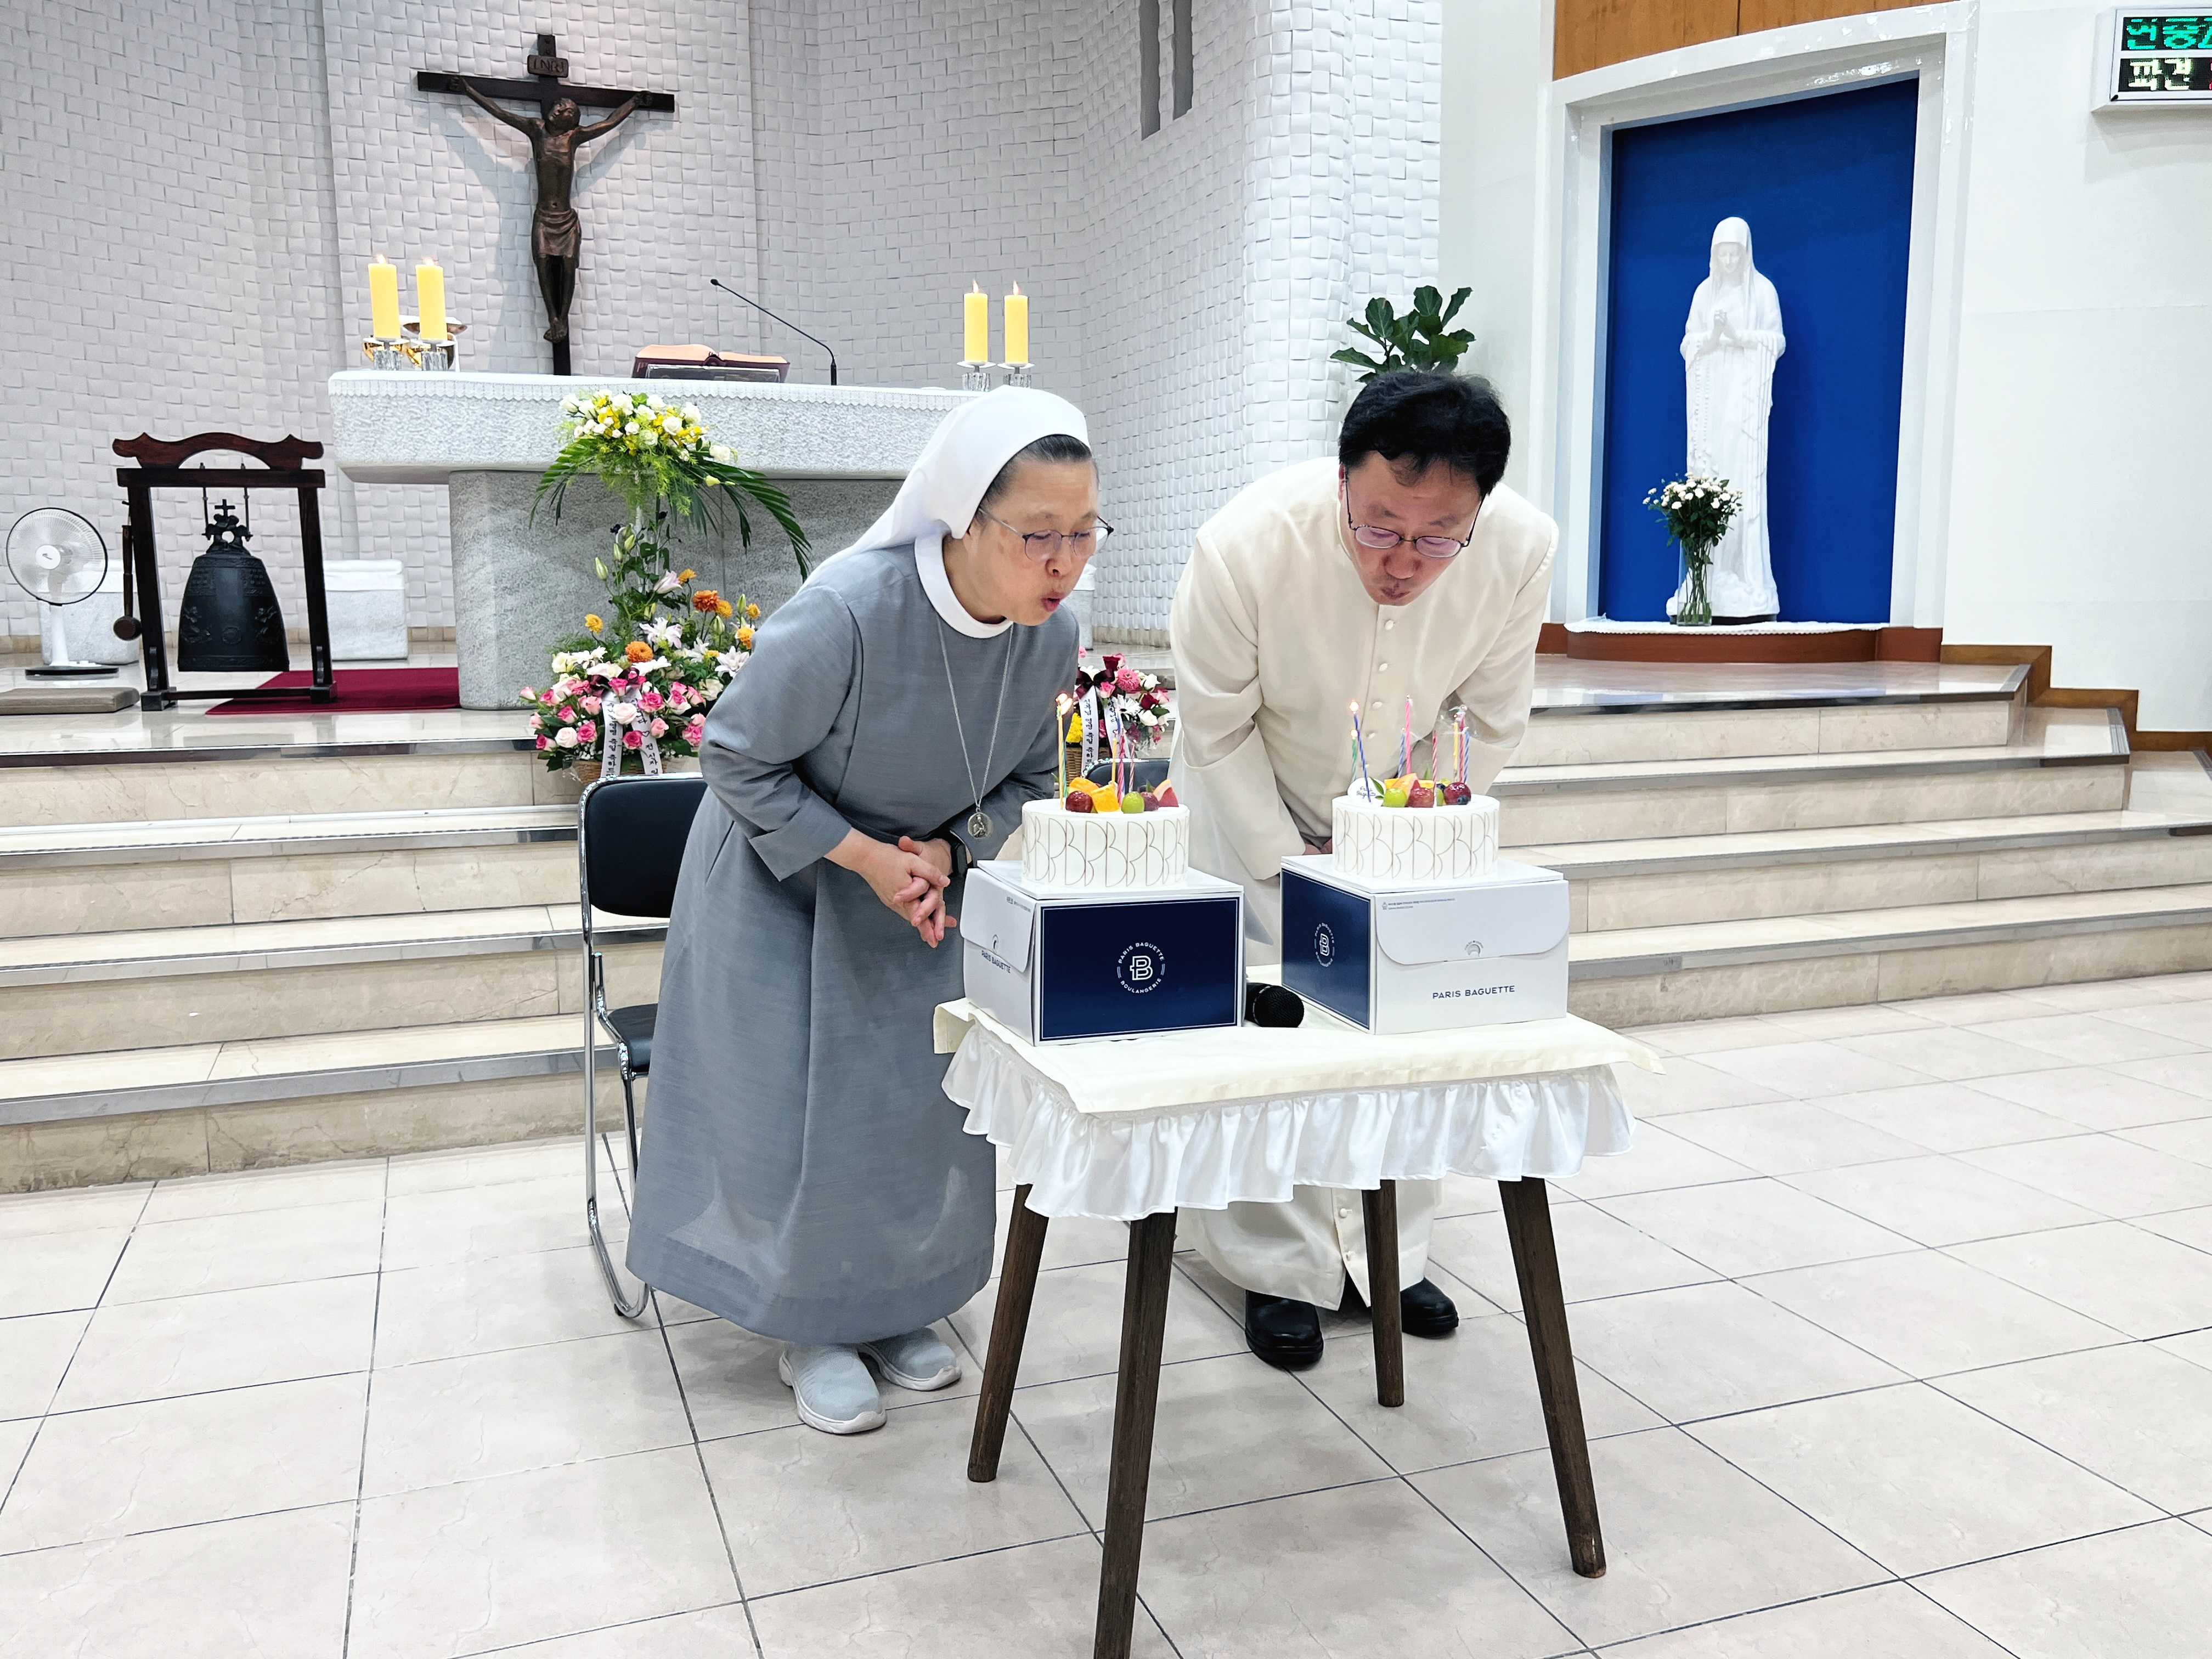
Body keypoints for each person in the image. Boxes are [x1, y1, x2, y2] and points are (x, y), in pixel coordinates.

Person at [627, 389, 1096, 1434]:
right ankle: (811, 1325)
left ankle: (896, 1305)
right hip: (784, 880)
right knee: (800, 1113)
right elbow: (735, 758)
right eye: (1038, 535)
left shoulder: (1051, 636)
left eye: (1083, 533)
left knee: (913, 1109)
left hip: (920, 891)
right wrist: (864, 857)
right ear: (964, 519)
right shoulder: (848, 609)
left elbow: (1029, 778)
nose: (1064, 563)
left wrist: (946, 852)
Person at [1168, 371, 1558, 1369]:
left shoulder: (1521, 549)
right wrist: (1288, 858)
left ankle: (1391, 1253)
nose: (1404, 562)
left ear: (1480, 511)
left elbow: (1487, 716)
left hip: (1395, 815)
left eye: (1439, 538)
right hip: (1246, 801)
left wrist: (1394, 829)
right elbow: (1215, 724)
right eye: (1379, 527)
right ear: (1342, 478)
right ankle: (1274, 1264)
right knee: (1273, 1033)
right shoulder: (1245, 545)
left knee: (1399, 1025)